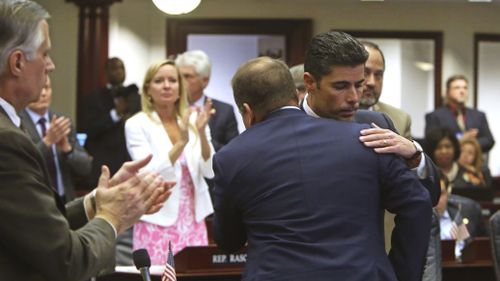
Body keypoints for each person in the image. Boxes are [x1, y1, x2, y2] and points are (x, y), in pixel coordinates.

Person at [213, 56, 432, 281]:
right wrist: (401, 275)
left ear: (248, 112)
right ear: (294, 93)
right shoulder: (365, 139)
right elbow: (417, 203)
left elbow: (229, 241)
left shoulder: (231, 158)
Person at [0, 1, 172, 280]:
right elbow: (66, 260)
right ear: (18, 62)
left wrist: (95, 202)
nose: (51, 66)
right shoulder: (7, 139)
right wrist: (113, 216)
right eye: (45, 54)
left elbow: (35, 229)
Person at [125, 60, 214, 264]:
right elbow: (149, 172)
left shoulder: (194, 120)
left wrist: (200, 134)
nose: (166, 85)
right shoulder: (137, 124)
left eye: (172, 80)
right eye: (159, 81)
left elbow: (210, 171)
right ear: (148, 89)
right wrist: (181, 143)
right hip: (156, 218)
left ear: (180, 88)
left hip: (193, 220)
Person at [19, 76, 92, 202]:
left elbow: (85, 168)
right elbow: (21, 164)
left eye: (46, 88)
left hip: (64, 200)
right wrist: (47, 141)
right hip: (33, 201)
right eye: (38, 88)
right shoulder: (17, 121)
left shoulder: (61, 120)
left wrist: (67, 149)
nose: (43, 93)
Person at [83, 57, 141, 187]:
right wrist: (115, 114)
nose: (119, 71)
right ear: (106, 72)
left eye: (121, 68)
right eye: (114, 68)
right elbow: (89, 128)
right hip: (104, 161)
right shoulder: (94, 97)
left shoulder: (135, 96)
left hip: (128, 159)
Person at [175, 50, 239, 152]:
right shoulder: (168, 107)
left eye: (187, 76)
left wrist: (202, 138)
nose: (181, 81)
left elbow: (233, 152)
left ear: (205, 81)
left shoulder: (225, 111)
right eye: (179, 76)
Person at [425, 74, 495, 154]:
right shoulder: (435, 116)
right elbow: (431, 144)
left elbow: (489, 140)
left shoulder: (479, 115)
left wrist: (470, 145)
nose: (462, 91)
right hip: (447, 164)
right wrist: (461, 139)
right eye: (457, 88)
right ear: (447, 92)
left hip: (474, 164)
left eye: (465, 88)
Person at [359, 41, 412, 140]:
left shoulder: (400, 120)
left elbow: (409, 155)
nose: (372, 83)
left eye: (378, 75)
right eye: (365, 73)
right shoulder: (326, 115)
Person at [436, 175, 487, 257]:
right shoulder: (415, 220)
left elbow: (481, 247)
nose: (436, 200)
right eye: (432, 194)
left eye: (441, 194)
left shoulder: (462, 213)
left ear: (447, 193)